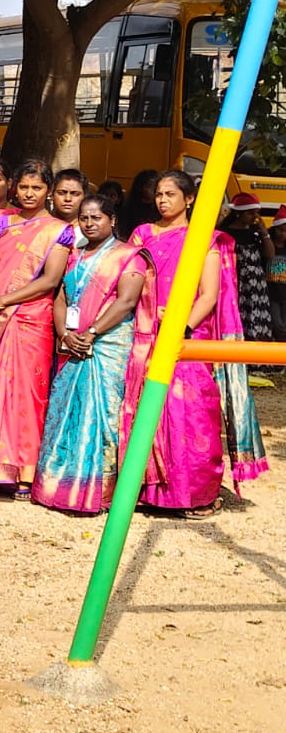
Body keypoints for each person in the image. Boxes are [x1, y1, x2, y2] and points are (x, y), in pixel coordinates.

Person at [122, 171, 268, 515]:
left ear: (189, 199)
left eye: (170, 194)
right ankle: (145, 492)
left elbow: (208, 295)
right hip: (144, 333)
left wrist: (180, 325)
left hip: (188, 337)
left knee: (191, 414)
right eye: (159, 194)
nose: (162, 200)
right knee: (143, 411)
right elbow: (126, 278)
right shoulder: (143, 234)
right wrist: (148, 312)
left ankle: (195, 494)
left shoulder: (204, 239)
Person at [0, 160, 74, 495]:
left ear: (48, 191)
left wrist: (1, 303)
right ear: (15, 188)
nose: (29, 193)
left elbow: (49, 280)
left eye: (36, 188)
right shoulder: (0, 225)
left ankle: (23, 469)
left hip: (31, 319)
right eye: (24, 187)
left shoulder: (58, 230)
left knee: (26, 394)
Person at [32, 194, 148, 514]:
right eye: (84, 218)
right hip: (73, 343)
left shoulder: (128, 256)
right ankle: (56, 487)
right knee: (65, 411)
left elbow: (126, 301)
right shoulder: (73, 254)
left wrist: (92, 333)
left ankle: (97, 493)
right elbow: (60, 297)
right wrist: (64, 334)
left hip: (108, 345)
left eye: (97, 218)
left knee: (102, 416)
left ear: (112, 220)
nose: (89, 223)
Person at [219, 193, 273, 343]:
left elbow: (270, 254)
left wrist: (264, 233)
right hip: (236, 281)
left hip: (256, 284)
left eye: (257, 213)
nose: (255, 217)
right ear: (238, 213)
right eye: (250, 213)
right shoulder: (225, 233)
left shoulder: (255, 233)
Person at [118, 169, 160, 240]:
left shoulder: (161, 209)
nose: (155, 190)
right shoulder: (128, 210)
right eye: (150, 186)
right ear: (140, 187)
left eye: (157, 186)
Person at [268, 210, 286, 339]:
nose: (283, 234)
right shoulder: (268, 246)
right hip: (271, 291)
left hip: (284, 292)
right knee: (277, 323)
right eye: (280, 230)